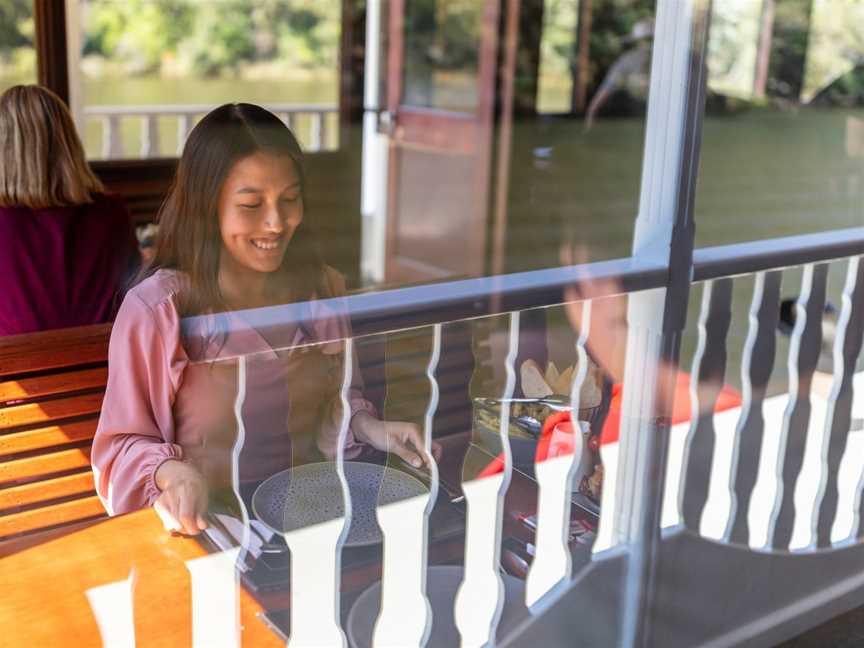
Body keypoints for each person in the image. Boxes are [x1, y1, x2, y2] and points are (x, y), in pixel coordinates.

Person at [92, 103, 437, 536]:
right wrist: (169, 474)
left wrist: (370, 427)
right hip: (209, 530)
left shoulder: (321, 290)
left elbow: (337, 401)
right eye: (252, 204)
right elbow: (120, 447)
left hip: (312, 523)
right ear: (205, 208)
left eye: (290, 200)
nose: (276, 223)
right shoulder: (159, 310)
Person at [0, 85, 137, 335]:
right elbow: (136, 294)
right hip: (105, 369)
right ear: (68, 143)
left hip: (17, 372)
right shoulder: (111, 212)